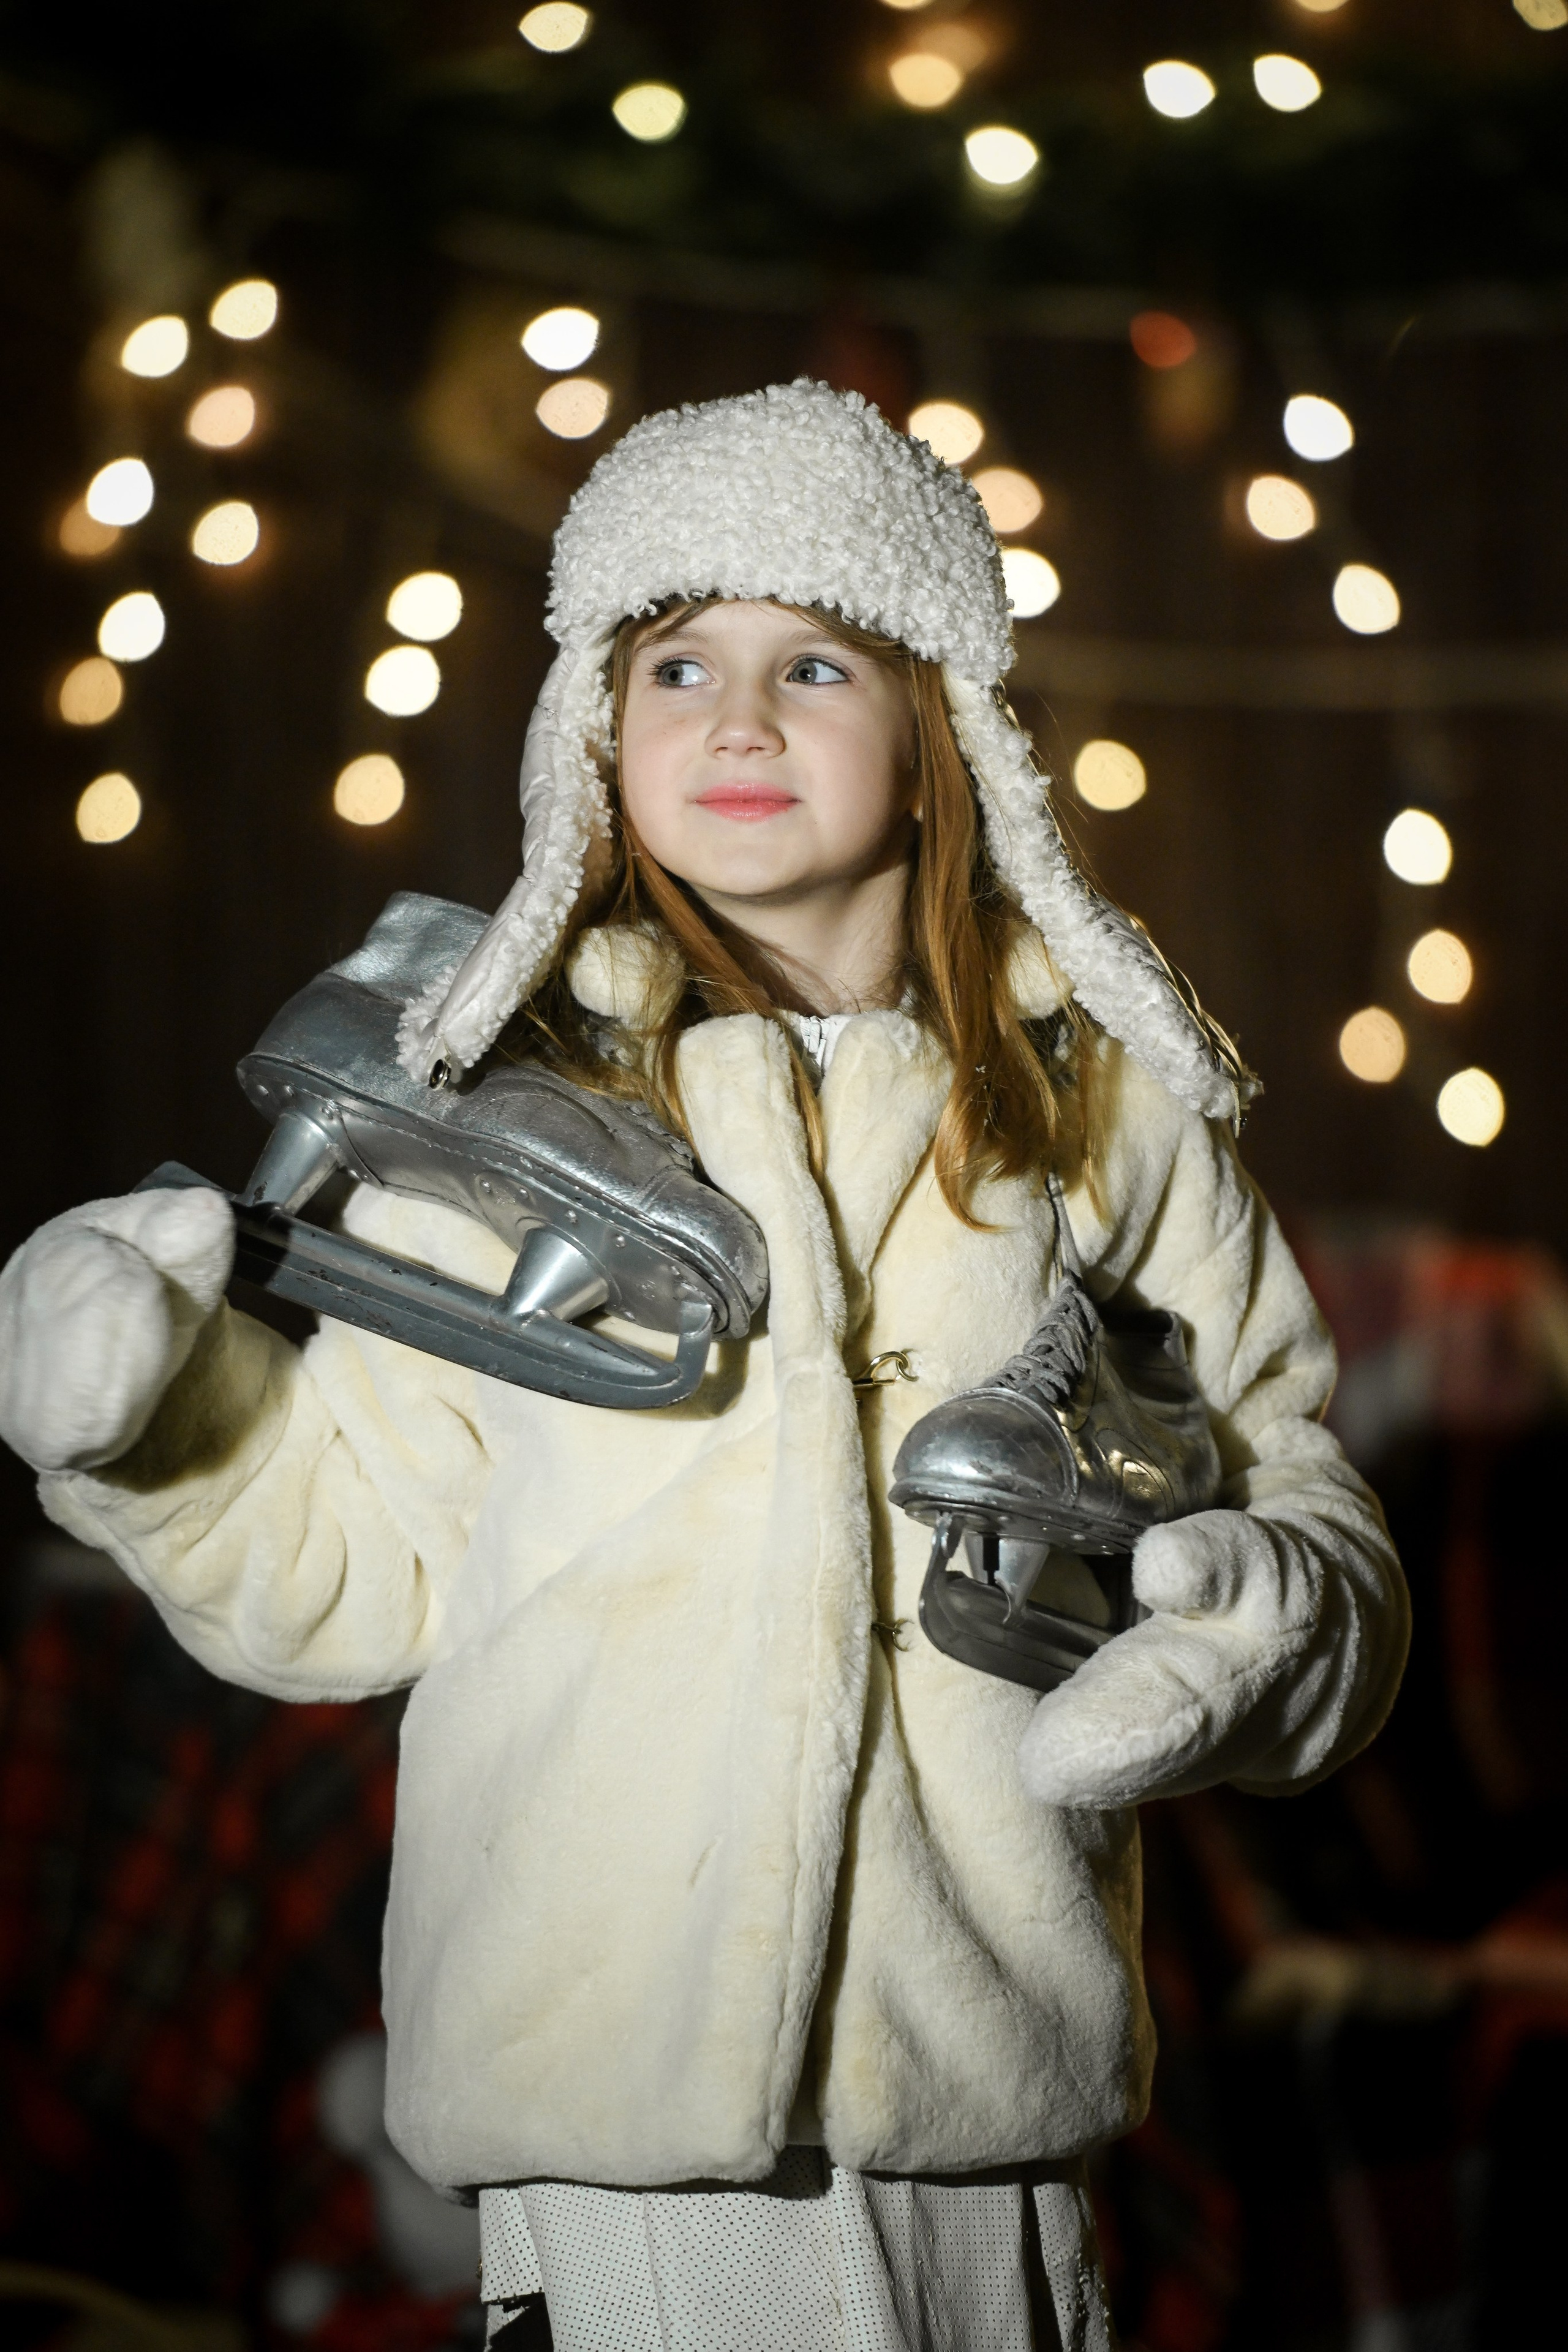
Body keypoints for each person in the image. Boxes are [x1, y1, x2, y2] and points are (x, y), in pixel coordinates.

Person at [0, 383, 1408, 2352]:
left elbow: (1283, 1468)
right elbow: (354, 1564)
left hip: (984, 2130)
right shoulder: (491, 1124)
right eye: (676, 664)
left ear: (940, 728)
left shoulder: (1105, 1115)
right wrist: (151, 1435)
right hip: (610, 2150)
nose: (737, 721)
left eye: (812, 661)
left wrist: (1274, 1619)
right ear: (594, 726)